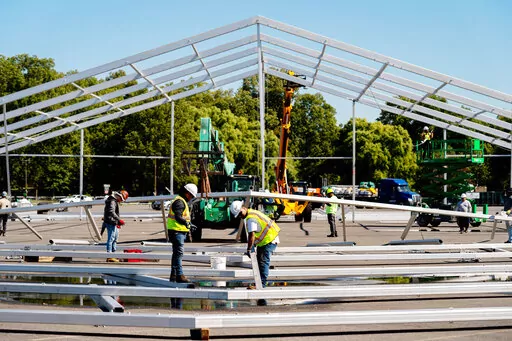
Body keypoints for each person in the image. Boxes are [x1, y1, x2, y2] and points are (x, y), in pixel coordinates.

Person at [230, 200, 280, 291]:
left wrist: (249, 248)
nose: (241, 216)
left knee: (263, 261)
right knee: (260, 260)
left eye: (240, 213)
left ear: (243, 208)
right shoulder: (252, 213)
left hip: (269, 239)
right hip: (268, 239)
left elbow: (251, 235)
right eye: (239, 215)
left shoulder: (250, 219)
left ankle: (261, 284)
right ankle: (259, 282)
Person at [167, 183, 198, 283]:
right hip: (177, 231)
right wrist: (186, 223)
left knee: (176, 254)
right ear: (187, 193)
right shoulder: (180, 202)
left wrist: (188, 224)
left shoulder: (180, 200)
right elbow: (178, 217)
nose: (191, 198)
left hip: (177, 231)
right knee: (179, 254)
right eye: (192, 196)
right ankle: (179, 275)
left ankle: (174, 275)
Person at [103, 189, 129, 262]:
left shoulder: (113, 200)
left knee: (115, 238)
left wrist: (117, 222)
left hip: (113, 221)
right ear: (119, 196)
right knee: (111, 238)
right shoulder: (112, 201)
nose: (121, 201)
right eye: (121, 199)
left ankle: (113, 254)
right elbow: (111, 212)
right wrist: (119, 220)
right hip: (111, 222)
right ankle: (110, 255)